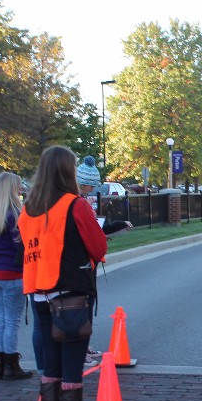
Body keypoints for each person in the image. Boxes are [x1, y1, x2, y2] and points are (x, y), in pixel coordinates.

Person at [19, 145, 108, 401]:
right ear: (67, 171)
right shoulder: (76, 205)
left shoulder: (28, 208)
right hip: (70, 297)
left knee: (51, 370)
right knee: (71, 371)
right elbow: (98, 248)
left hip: (40, 297)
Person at [74, 155, 132, 368]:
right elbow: (90, 232)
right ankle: (79, 350)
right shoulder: (77, 204)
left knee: (87, 304)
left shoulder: (82, 202)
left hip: (88, 262)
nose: (91, 190)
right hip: (81, 264)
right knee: (81, 305)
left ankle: (84, 345)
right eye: (88, 185)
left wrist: (116, 227)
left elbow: (96, 228)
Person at [0, 172, 33, 381]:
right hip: (12, 273)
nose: (21, 190)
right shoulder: (14, 215)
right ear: (11, 189)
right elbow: (20, 247)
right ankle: (11, 364)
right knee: (12, 320)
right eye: (18, 187)